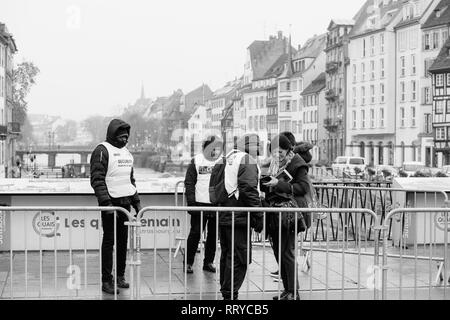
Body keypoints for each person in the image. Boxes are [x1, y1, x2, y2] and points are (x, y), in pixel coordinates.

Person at [90, 119, 142, 295]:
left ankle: (120, 276)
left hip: (125, 204)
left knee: (122, 243)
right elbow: (97, 179)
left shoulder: (127, 153)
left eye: (126, 137)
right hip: (110, 205)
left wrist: (137, 202)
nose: (124, 140)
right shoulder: (102, 151)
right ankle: (107, 280)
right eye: (121, 137)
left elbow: (129, 180)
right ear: (113, 135)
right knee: (109, 241)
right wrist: (106, 204)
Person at [261, 134, 310, 300]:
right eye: (274, 152)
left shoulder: (297, 164)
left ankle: (293, 292)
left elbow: (303, 187)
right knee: (278, 252)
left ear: (289, 150)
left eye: (280, 152)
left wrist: (278, 184)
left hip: (291, 214)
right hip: (277, 213)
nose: (277, 156)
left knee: (286, 253)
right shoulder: (276, 163)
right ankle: (287, 289)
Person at [219, 133, 264, 300]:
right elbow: (249, 190)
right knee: (239, 257)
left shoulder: (229, 157)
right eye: (256, 144)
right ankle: (230, 294)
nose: (259, 148)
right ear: (247, 145)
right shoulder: (247, 160)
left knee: (227, 254)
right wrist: (259, 217)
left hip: (225, 212)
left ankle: (226, 291)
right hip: (238, 215)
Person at [184, 136, 223, 274]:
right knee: (195, 234)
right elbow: (189, 183)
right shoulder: (196, 160)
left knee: (213, 236)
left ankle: (208, 262)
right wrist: (191, 203)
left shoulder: (222, 161)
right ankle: (188, 263)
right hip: (199, 204)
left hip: (215, 204)